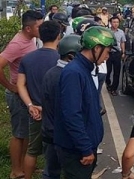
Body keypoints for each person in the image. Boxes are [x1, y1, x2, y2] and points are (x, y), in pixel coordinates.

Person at [53, 26, 116, 179]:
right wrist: (85, 148)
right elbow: (72, 115)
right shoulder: (74, 73)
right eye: (107, 51)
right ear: (97, 48)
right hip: (76, 151)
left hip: (82, 147)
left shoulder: (85, 69)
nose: (107, 56)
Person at [0, 10, 43, 179]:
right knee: (19, 134)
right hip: (18, 95)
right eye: (38, 26)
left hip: (26, 93)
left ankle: (23, 168)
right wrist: (11, 87)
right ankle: (15, 170)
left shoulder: (30, 39)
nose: (41, 29)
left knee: (26, 133)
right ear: (28, 28)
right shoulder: (17, 44)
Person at [17, 21, 61, 179]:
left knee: (32, 151)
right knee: (58, 151)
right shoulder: (61, 60)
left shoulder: (27, 59)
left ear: (40, 36)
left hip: (36, 113)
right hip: (56, 116)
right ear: (59, 36)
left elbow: (20, 85)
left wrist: (30, 105)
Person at [41, 35, 82, 179]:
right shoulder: (69, 76)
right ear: (71, 57)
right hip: (61, 136)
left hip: (49, 131)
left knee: (50, 171)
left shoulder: (50, 73)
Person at [106, 16, 126, 96]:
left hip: (117, 53)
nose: (116, 24)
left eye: (117, 22)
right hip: (108, 53)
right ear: (111, 23)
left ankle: (114, 89)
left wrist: (123, 52)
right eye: (114, 22)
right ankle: (108, 83)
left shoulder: (121, 32)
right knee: (108, 71)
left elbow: (122, 42)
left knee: (117, 72)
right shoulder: (107, 31)